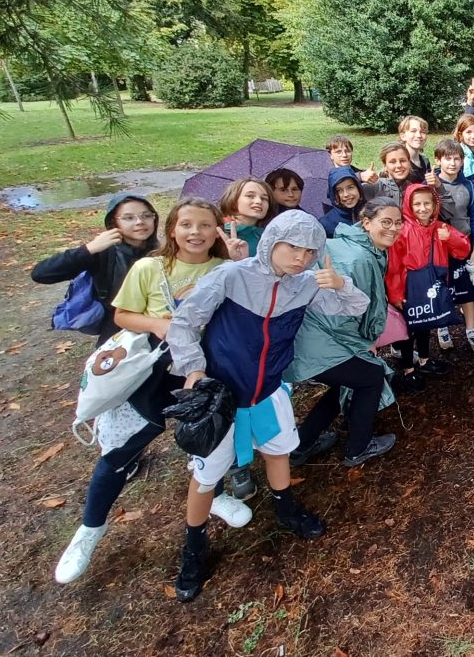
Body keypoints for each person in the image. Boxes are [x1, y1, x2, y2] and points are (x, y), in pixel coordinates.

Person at [165, 210, 368, 602]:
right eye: (293, 247)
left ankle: (285, 509)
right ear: (273, 240)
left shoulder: (305, 285)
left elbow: (355, 307)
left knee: (279, 452)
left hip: (270, 390)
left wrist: (341, 285)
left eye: (310, 251)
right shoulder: (233, 276)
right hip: (221, 398)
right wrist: (194, 371)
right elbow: (184, 322)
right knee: (207, 477)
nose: (301, 258)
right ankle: (194, 547)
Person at [53, 199, 249, 586]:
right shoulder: (150, 267)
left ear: (216, 231)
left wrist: (241, 262)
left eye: (205, 225)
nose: (196, 233)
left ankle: (214, 493)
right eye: (187, 224)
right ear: (172, 229)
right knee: (121, 453)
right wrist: (159, 324)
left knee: (206, 441)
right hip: (151, 377)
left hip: (203, 375)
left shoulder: (226, 269)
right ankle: (89, 530)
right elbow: (122, 315)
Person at [287, 198, 401, 465]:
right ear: (366, 223)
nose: (393, 228)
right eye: (386, 222)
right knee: (371, 376)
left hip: (308, 336)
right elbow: (342, 313)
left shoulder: (357, 247)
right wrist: (362, 343)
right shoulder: (361, 258)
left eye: (398, 223)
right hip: (320, 339)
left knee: (344, 383)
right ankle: (358, 447)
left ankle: (302, 444)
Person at [32, 194, 160, 345]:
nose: (140, 222)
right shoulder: (104, 252)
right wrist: (88, 249)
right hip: (117, 327)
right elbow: (41, 274)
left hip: (158, 322)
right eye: (128, 218)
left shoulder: (162, 250)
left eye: (146, 216)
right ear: (114, 223)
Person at [385, 184, 472, 389]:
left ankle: (424, 359)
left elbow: (463, 250)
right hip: (409, 287)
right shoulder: (403, 231)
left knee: (426, 323)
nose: (423, 208)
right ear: (408, 205)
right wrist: (396, 294)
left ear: (435, 205)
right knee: (408, 329)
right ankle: (409, 369)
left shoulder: (440, 228)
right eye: (417, 204)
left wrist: (450, 237)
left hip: (431, 283)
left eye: (427, 203)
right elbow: (394, 266)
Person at [434, 139, 474, 351]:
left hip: (464, 246)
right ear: (438, 160)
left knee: (467, 288)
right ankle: (442, 326)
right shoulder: (432, 185)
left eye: (457, 158)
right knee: (442, 287)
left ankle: (470, 329)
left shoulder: (468, 187)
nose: (453, 163)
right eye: (448, 158)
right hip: (440, 247)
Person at [218, 177, 273, 256]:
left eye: (264, 198)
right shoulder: (219, 234)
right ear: (233, 201)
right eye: (250, 196)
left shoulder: (270, 236)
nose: (259, 201)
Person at [320, 166, 363, 238]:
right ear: (333, 195)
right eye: (339, 191)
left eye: (350, 187)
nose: (346, 194)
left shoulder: (371, 213)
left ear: (358, 188)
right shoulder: (326, 224)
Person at [399, 116, 432, 184]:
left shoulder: (425, 161)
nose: (419, 135)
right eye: (413, 131)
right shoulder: (398, 162)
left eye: (423, 132)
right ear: (403, 136)